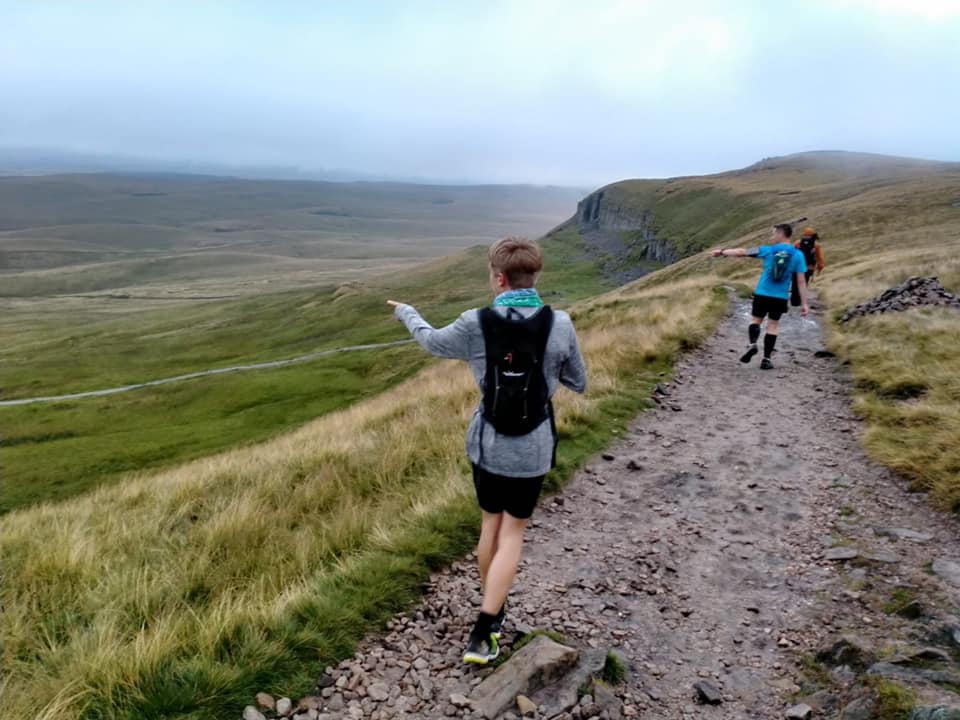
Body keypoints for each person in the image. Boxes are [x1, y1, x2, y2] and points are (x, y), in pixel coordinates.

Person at [387, 237, 587, 665]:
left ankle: (491, 618)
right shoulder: (562, 323)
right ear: (535, 274)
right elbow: (578, 381)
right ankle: (484, 628)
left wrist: (406, 312)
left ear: (499, 278)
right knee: (513, 533)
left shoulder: (475, 322)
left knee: (489, 528)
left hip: (488, 444)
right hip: (533, 447)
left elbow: (432, 343)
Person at [712, 223, 809, 370]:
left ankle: (752, 344)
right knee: (773, 325)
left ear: (781, 234)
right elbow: (801, 281)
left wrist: (722, 252)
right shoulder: (798, 255)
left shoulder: (767, 250)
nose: (773, 236)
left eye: (774, 233)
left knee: (756, 320)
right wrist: (804, 304)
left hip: (762, 293)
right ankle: (766, 359)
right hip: (780, 296)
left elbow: (741, 252)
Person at [791, 227, 826, 305]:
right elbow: (819, 258)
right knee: (804, 283)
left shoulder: (797, 242)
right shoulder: (816, 244)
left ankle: (794, 301)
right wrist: (820, 269)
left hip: (796, 267)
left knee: (794, 283)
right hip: (809, 268)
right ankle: (800, 300)